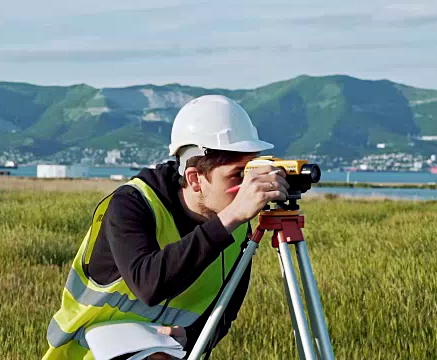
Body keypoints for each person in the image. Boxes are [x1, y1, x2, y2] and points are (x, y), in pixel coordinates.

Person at [42, 95, 289, 360]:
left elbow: (225, 312)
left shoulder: (237, 225)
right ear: (195, 179)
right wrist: (231, 216)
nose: (246, 186)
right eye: (237, 175)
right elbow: (148, 284)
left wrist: (191, 337)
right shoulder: (132, 204)